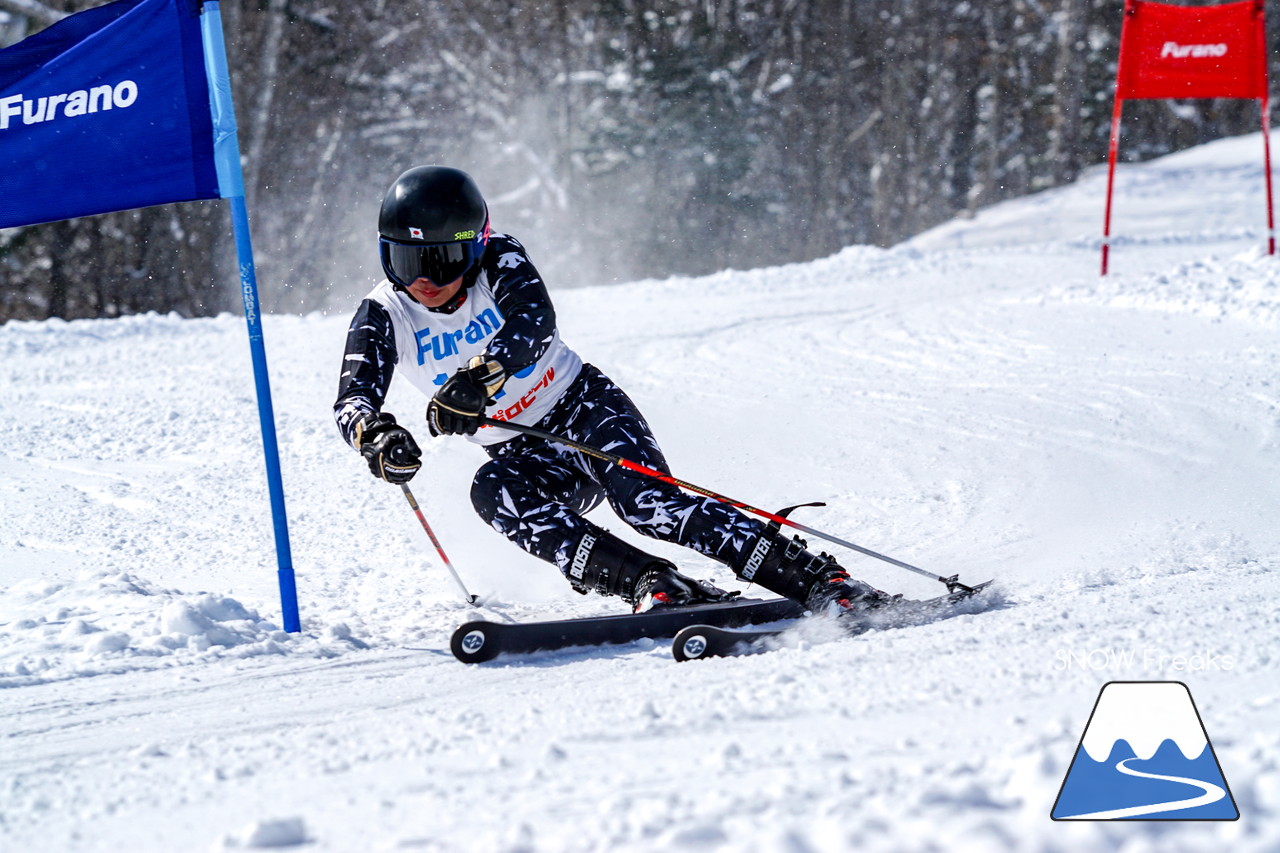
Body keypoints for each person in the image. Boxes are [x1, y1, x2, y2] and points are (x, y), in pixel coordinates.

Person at [334, 165, 891, 613]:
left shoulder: (501, 259)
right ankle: (650, 584)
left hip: (581, 408)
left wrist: (482, 378)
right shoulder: (385, 314)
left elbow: (534, 324)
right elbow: (352, 400)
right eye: (405, 262)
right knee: (493, 492)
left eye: (439, 259)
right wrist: (376, 436)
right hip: (518, 448)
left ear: (473, 248)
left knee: (650, 506)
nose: (423, 281)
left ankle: (816, 578)